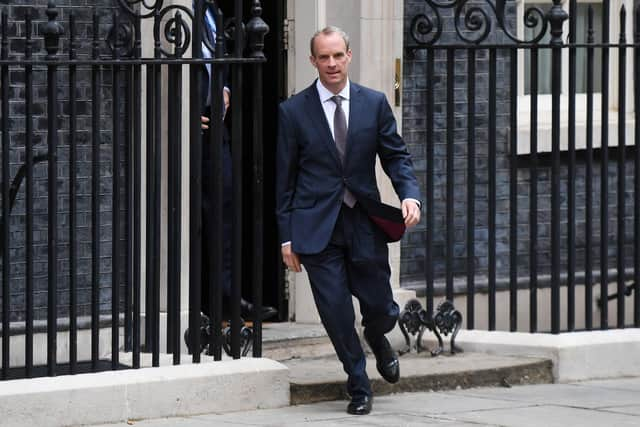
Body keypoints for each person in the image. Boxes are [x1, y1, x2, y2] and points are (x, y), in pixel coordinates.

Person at [276, 26, 421, 415]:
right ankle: (358, 382)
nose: (332, 64)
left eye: (338, 55)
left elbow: (395, 156)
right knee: (337, 313)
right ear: (313, 61)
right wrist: (286, 238)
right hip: (316, 227)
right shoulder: (292, 111)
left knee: (383, 306)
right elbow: (284, 179)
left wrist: (409, 194)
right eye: (323, 57)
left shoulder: (373, 104)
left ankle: (377, 336)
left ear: (349, 55)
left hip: (363, 221)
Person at [188, 1, 277, 354]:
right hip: (185, 131)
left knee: (223, 214)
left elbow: (215, 61)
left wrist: (225, 89)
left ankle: (228, 297)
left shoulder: (212, 10)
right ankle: (194, 307)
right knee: (190, 221)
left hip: (215, 132)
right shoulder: (182, 9)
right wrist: (183, 110)